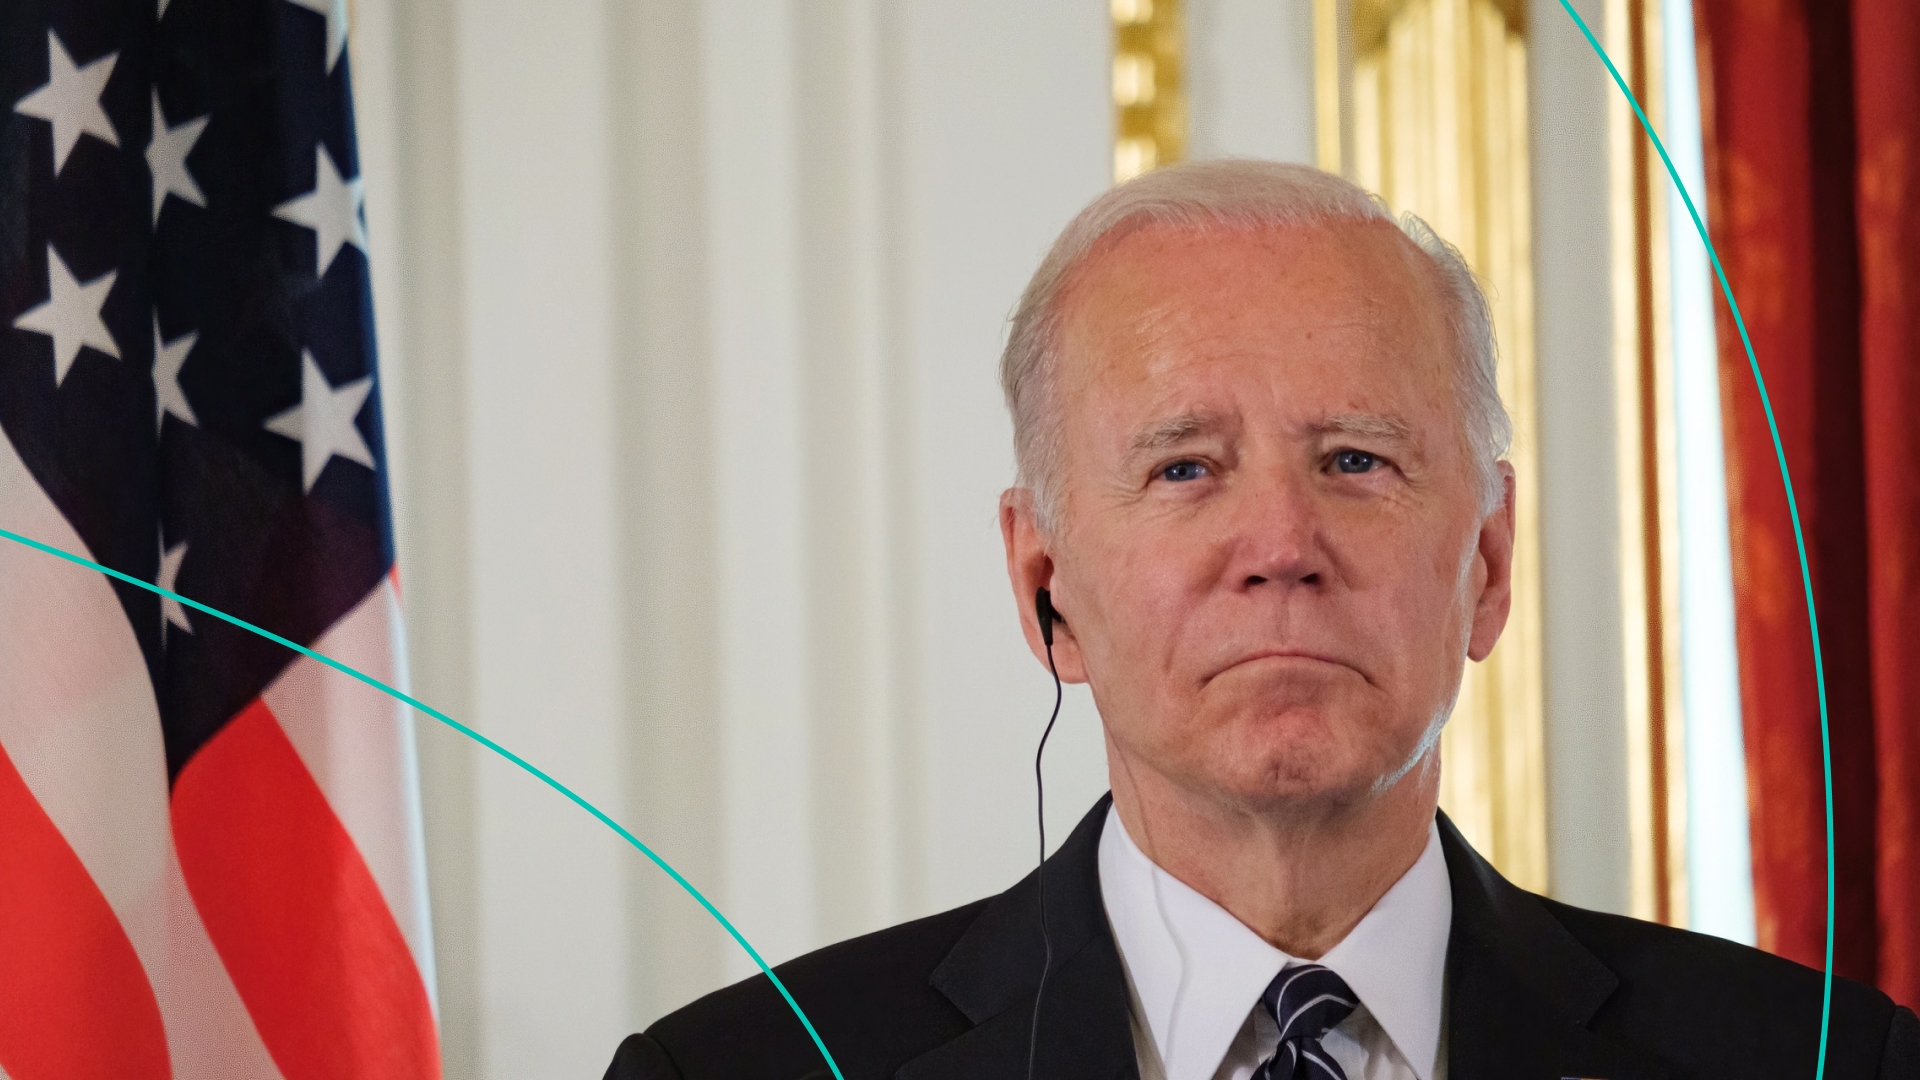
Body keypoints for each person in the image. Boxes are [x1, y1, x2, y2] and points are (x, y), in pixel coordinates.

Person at [604, 160, 1919, 1080]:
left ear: (1491, 562)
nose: (1282, 547)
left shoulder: (1821, 1061)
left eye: (1357, 459)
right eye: (1185, 468)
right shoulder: (740, 1070)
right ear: (1045, 588)